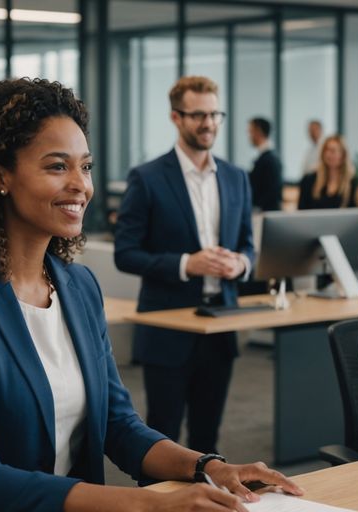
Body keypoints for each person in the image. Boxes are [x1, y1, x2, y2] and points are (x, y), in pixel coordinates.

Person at [0, 78, 301, 511]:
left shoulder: (78, 287)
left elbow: (118, 426)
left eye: (86, 166)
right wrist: (151, 506)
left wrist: (209, 467)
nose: (80, 184)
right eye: (57, 166)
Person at [115, 76, 254, 456]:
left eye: (214, 114)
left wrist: (239, 264)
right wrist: (185, 264)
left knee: (208, 436)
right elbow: (125, 253)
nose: (208, 123)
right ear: (176, 117)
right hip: (168, 328)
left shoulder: (235, 177)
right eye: (198, 115)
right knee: (162, 437)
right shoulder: (146, 178)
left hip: (220, 325)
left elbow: (248, 247)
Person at [297, 135, 358, 210]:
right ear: (323, 154)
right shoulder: (308, 181)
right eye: (328, 150)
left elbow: (354, 213)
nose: (332, 154)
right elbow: (301, 212)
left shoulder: (352, 182)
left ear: (344, 155)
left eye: (336, 150)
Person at [247, 117, 283, 211]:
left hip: (266, 213)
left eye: (250, 131)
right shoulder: (264, 157)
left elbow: (272, 192)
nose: (249, 136)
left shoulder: (270, 159)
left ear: (258, 131)